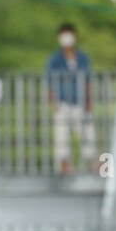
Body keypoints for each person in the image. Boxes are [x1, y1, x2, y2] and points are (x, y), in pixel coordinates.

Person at [45, 23, 94, 175]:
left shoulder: (83, 57)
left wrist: (88, 100)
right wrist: (52, 102)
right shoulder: (54, 59)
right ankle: (65, 168)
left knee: (88, 134)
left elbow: (87, 80)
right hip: (62, 102)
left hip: (79, 101)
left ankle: (92, 167)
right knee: (62, 137)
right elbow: (49, 82)